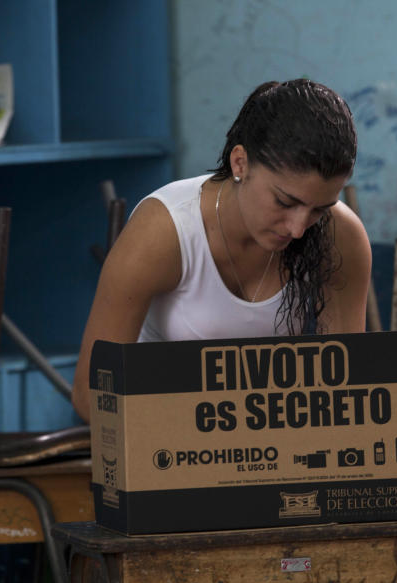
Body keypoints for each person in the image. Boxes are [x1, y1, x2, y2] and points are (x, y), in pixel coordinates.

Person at [71, 78, 371, 425]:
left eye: (319, 208)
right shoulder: (165, 232)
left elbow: (347, 385)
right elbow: (90, 396)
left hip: (271, 438)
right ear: (240, 162)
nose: (298, 228)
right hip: (160, 435)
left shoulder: (340, 235)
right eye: (285, 202)